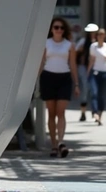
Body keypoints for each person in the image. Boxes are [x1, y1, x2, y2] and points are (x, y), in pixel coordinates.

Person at [38, 17, 80, 158]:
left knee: (60, 112)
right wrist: (36, 80)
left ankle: (61, 142)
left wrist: (76, 84)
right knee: (51, 113)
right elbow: (42, 62)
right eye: (56, 27)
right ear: (51, 29)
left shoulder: (69, 45)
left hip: (65, 78)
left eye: (61, 28)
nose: (59, 30)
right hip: (48, 77)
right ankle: (54, 145)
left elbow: (73, 65)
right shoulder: (46, 43)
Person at [86, 28, 106, 125]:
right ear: (97, 36)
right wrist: (88, 72)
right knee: (94, 93)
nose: (101, 36)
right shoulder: (93, 46)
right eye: (99, 35)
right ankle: (95, 112)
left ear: (105, 36)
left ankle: (100, 116)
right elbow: (91, 59)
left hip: (105, 73)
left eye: (102, 35)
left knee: (102, 96)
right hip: (95, 73)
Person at [75, 23, 98, 121]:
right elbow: (75, 51)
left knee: (95, 90)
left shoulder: (98, 43)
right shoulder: (83, 42)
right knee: (85, 88)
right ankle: (83, 112)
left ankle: (95, 111)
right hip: (83, 67)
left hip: (96, 68)